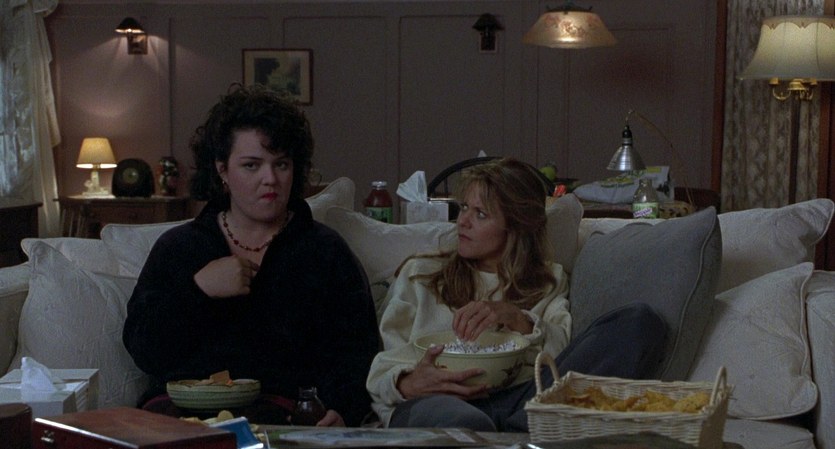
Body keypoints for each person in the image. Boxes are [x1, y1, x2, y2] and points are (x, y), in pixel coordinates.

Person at [123, 84, 380, 427]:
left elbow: (359, 353)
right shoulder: (180, 247)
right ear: (222, 170)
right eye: (251, 165)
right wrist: (198, 290)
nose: (269, 179)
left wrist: (342, 408)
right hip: (182, 414)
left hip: (283, 414)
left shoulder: (324, 250)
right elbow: (145, 351)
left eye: (281, 164)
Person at [366, 158, 667, 431]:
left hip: (522, 398)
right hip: (437, 402)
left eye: (480, 214)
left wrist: (518, 318)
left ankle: (526, 423)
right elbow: (382, 364)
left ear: (516, 227)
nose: (463, 221)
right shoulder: (422, 274)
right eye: (464, 208)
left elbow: (561, 357)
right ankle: (527, 427)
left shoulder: (548, 280)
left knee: (639, 322)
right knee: (463, 421)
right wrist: (407, 383)